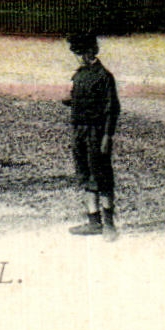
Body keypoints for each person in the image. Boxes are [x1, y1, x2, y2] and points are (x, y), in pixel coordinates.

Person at [63, 32, 120, 240]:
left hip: (96, 132)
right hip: (79, 130)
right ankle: (93, 222)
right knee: (85, 174)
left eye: (80, 52)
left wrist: (107, 136)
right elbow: (73, 98)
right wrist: (68, 99)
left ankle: (109, 225)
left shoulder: (104, 76)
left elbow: (112, 109)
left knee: (102, 176)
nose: (78, 56)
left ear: (90, 51)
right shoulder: (78, 75)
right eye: (75, 53)